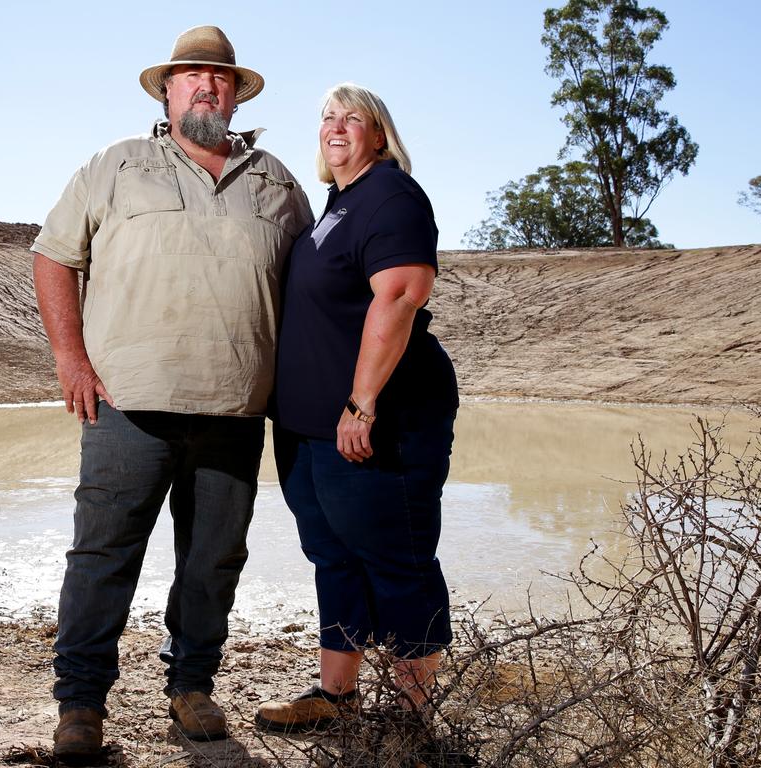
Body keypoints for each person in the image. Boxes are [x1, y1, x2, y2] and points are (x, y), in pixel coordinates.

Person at [31, 25, 312, 761]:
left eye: (219, 78)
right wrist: (70, 358)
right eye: (191, 76)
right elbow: (54, 257)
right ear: (168, 89)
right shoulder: (116, 165)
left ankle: (191, 687)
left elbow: (315, 288)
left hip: (237, 408)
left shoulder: (277, 182)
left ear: (236, 92)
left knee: (214, 560)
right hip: (126, 403)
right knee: (102, 556)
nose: (206, 87)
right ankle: (81, 704)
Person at [255, 83, 459, 733]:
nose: (336, 127)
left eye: (353, 118)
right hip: (310, 427)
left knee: (395, 559)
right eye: (326, 118)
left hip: (379, 420)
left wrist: (362, 402)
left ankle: (412, 719)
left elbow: (399, 296)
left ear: (379, 134)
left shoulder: (392, 196)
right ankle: (337, 698)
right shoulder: (337, 204)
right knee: (333, 555)